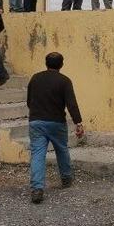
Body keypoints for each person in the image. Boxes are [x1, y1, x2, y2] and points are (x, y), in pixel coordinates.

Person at [27, 52, 84, 204]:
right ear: (61, 65)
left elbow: (29, 101)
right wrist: (78, 122)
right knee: (61, 149)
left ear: (46, 63)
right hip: (56, 123)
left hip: (36, 122)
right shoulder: (65, 81)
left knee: (38, 154)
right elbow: (71, 104)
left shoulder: (35, 78)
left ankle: (37, 188)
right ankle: (66, 179)